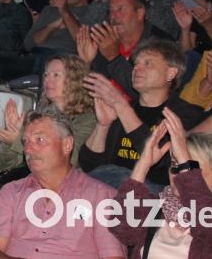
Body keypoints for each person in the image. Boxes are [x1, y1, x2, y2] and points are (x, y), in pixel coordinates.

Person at [0, 109, 126, 259]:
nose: (28, 149)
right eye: (26, 142)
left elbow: (113, 256)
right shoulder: (11, 192)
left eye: (40, 140)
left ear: (67, 144)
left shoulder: (101, 197)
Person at [110, 110, 212, 258]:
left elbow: (207, 226)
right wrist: (143, 165)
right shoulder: (158, 206)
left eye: (190, 167)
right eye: (175, 165)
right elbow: (123, 230)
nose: (178, 173)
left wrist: (185, 161)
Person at [80, 38, 205, 189]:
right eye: (136, 64)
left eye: (148, 63)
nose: (137, 68)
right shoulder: (124, 110)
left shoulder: (185, 113)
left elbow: (165, 163)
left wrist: (122, 107)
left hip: (152, 195)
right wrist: (103, 125)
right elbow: (89, 166)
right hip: (109, 188)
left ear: (170, 74)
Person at [0, 55, 96, 172]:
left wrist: (18, 140)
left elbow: (71, 159)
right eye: (46, 75)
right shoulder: (38, 115)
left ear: (75, 80)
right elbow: (5, 166)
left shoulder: (87, 118)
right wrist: (8, 141)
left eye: (56, 75)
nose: (48, 80)